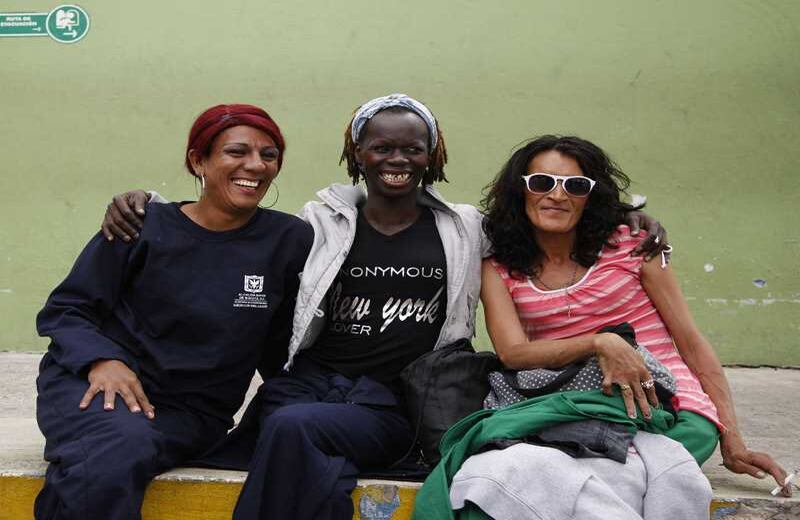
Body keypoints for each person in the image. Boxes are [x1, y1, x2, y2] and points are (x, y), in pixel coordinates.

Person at [100, 96, 669, 519]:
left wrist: (630, 218)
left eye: (411, 147)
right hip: (310, 383)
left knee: (299, 431)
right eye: (381, 146)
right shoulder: (317, 221)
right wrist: (147, 203)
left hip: (397, 400)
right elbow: (237, 225)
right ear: (358, 152)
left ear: (432, 155)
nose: (396, 158)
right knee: (291, 421)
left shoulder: (467, 227)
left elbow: (548, 209)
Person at [428, 135, 790, 519]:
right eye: (542, 183)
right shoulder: (499, 267)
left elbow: (691, 342)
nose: (557, 195)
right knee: (601, 465)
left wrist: (733, 441)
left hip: (667, 405)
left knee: (541, 472)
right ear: (521, 191)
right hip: (574, 398)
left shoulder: (636, 245)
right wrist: (602, 343)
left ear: (591, 197)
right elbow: (513, 353)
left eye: (576, 186)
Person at [34, 104, 313, 520]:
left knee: (114, 454)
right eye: (236, 152)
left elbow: (283, 343)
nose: (255, 165)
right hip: (96, 386)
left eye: (268, 155)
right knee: (115, 449)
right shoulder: (141, 225)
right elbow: (66, 308)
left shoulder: (289, 240)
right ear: (198, 160)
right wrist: (101, 359)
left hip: (192, 412)